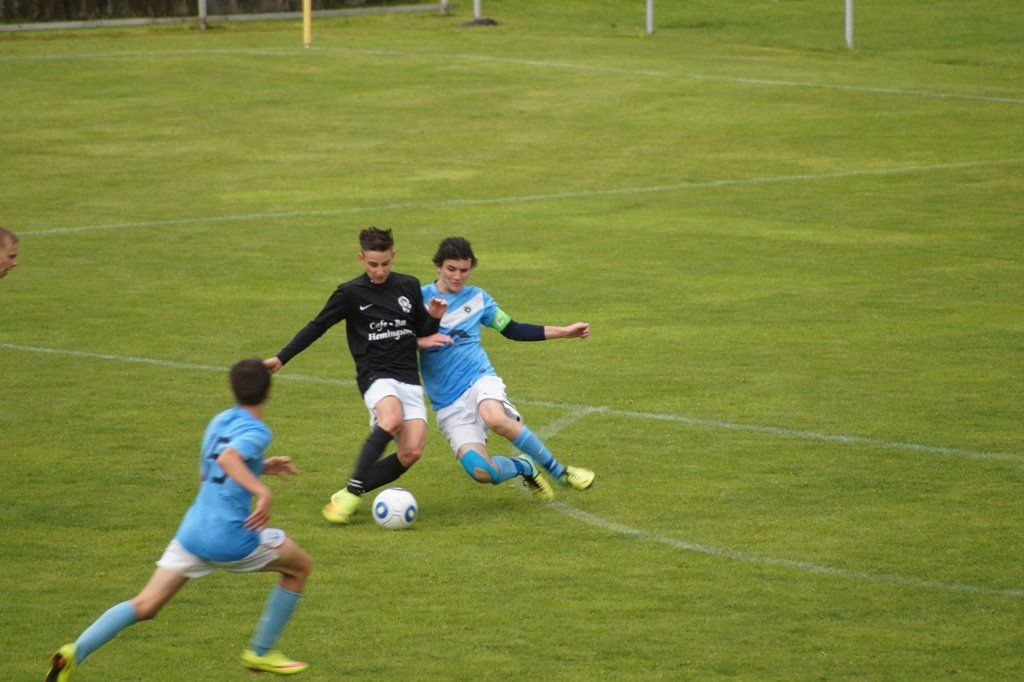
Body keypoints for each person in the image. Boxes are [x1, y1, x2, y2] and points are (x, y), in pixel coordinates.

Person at [45, 359, 312, 680]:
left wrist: (261, 466)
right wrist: (262, 492)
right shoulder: (256, 431)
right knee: (299, 567)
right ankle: (261, 651)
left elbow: (208, 471)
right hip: (231, 537)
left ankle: (75, 651)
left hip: (193, 532)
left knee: (145, 604)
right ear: (268, 392)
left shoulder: (219, 421)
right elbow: (229, 459)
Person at [264, 227, 450, 524]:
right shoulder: (350, 293)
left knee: (411, 452)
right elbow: (317, 326)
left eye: (385, 263)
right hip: (375, 374)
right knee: (391, 418)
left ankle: (349, 492)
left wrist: (434, 318)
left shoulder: (408, 285)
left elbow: (421, 331)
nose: (380, 271)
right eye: (373, 264)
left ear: (393, 256)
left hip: (408, 376)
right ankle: (352, 493)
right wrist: (281, 358)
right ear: (362, 259)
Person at [418, 236, 595, 500]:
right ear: (438, 266)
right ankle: (524, 467)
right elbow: (402, 340)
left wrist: (564, 332)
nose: (457, 276)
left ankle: (560, 472)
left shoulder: (477, 298)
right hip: (447, 402)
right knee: (482, 472)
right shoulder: (418, 299)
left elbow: (513, 329)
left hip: (478, 379)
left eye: (464, 270)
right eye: (451, 269)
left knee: (494, 418)